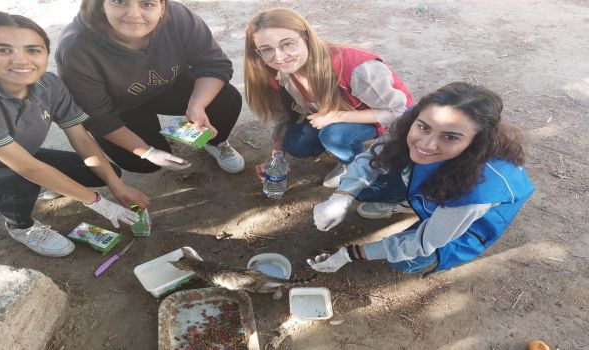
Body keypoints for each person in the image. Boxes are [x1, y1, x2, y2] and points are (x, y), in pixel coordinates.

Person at [0, 12, 149, 257]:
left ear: (45, 52)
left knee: (107, 172)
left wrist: (117, 186)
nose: (21, 60)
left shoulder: (50, 84)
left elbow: (81, 137)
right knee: (20, 181)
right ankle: (21, 226)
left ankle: (51, 185)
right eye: (3, 50)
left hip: (15, 155)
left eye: (33, 50)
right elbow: (27, 168)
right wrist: (98, 203)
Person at [308, 82, 534, 274]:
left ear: (475, 143)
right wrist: (342, 197)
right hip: (434, 181)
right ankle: (411, 203)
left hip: (469, 223)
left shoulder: (479, 190)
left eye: (450, 136)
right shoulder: (417, 119)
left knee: (403, 261)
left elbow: (425, 242)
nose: (426, 144)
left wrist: (349, 254)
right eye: (424, 127)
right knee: (365, 188)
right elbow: (373, 156)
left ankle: (421, 209)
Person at [55, 0, 245, 174]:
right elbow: (97, 117)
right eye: (120, 1)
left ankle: (212, 142)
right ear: (100, 5)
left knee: (226, 100)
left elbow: (214, 64)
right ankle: (154, 140)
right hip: (119, 108)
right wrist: (148, 152)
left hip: (167, 85)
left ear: (162, 7)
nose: (134, 14)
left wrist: (196, 105)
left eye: (147, 3)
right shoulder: (75, 48)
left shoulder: (178, 16)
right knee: (143, 163)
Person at [244, 8, 412, 188]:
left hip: (376, 116)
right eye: (266, 49)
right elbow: (282, 116)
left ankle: (351, 163)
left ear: (306, 37)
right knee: (295, 144)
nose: (278, 57)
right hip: (325, 115)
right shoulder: (274, 72)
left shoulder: (356, 67)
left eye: (287, 44)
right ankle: (338, 146)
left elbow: (400, 112)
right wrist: (276, 154)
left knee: (334, 136)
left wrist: (335, 117)